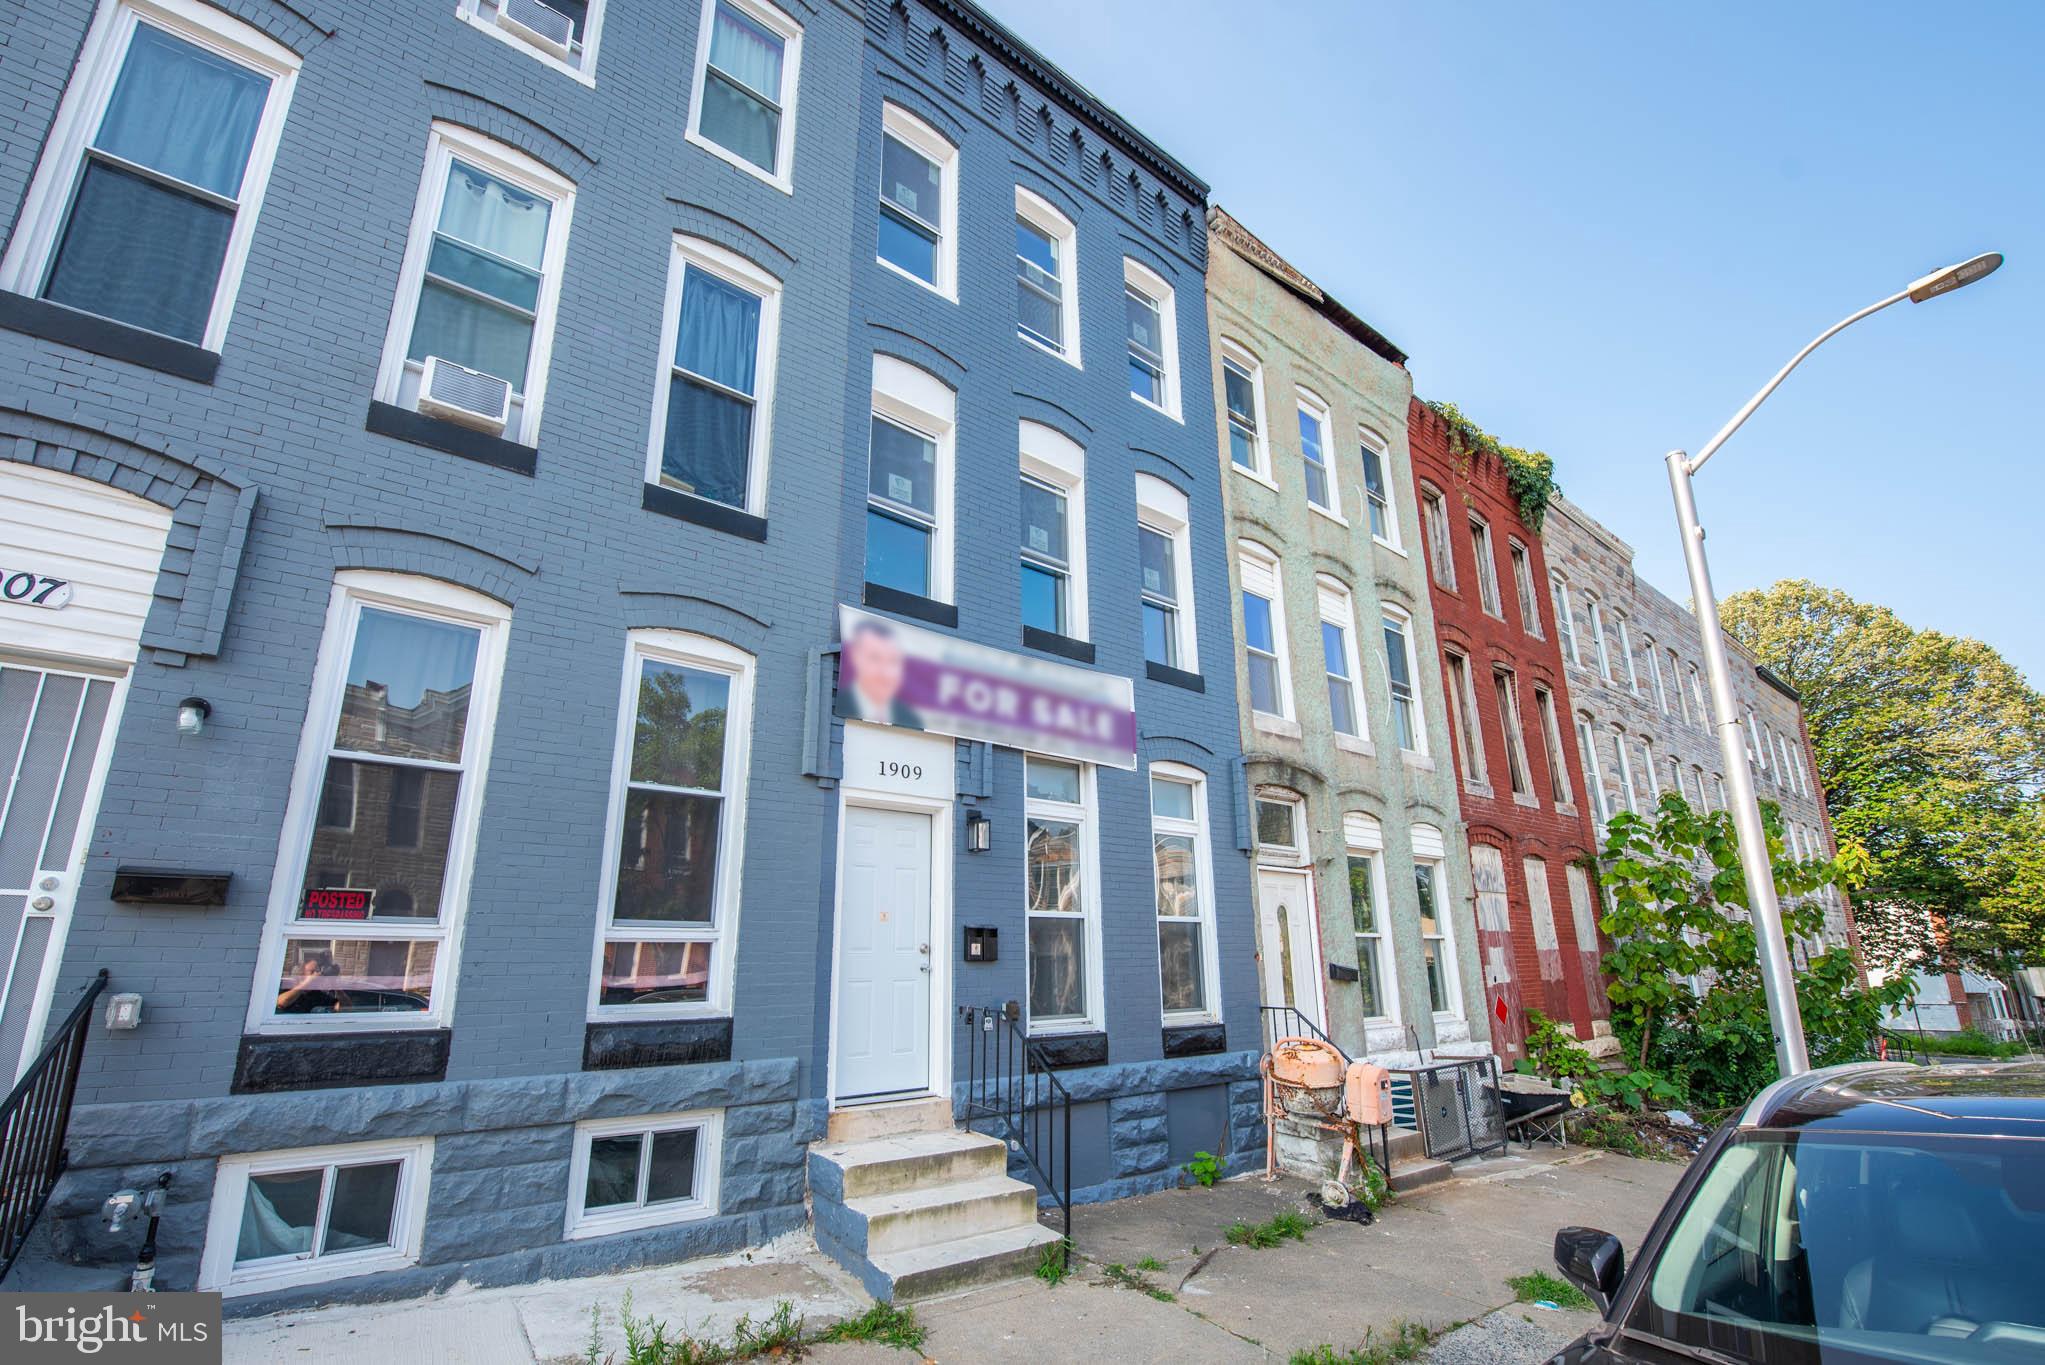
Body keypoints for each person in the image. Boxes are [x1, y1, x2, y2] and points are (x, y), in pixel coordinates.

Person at [836, 618, 923, 728]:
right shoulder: (842, 703)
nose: (886, 673)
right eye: (875, 658)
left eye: (893, 660)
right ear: (855, 658)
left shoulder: (911, 718)